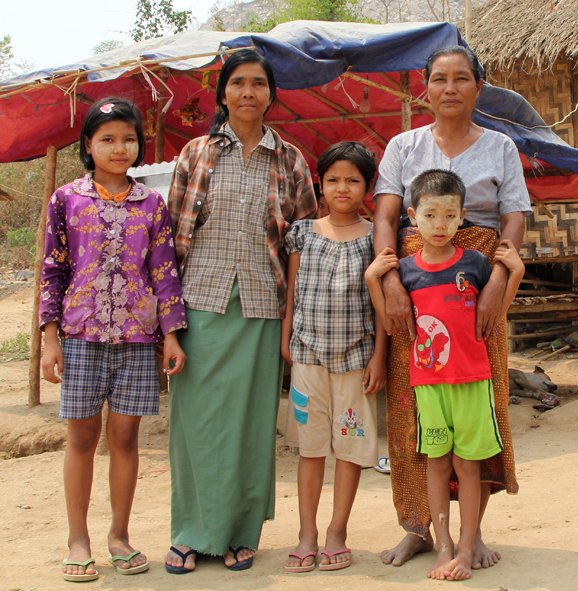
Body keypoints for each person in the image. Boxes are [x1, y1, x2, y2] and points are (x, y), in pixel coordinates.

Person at [373, 45, 532, 568]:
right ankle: (418, 527)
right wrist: (392, 278)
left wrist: (497, 282)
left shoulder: (501, 147)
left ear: (478, 86)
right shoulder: (403, 145)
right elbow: (386, 217)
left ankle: (473, 536)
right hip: (416, 286)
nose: (450, 88)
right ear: (425, 87)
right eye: (439, 79)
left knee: (479, 407)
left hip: (477, 282)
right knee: (411, 411)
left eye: (462, 79)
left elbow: (513, 219)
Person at [163, 49, 316, 574]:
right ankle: (189, 531)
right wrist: (168, 323)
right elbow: (167, 243)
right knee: (195, 425)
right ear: (223, 93)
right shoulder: (195, 154)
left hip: (262, 305)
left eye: (258, 83)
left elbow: (304, 244)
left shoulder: (291, 160)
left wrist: (293, 322)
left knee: (251, 426)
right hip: (198, 303)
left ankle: (239, 533)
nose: (248, 92)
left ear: (271, 94)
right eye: (238, 83)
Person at [39, 98, 187, 582]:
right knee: (82, 436)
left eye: (128, 138)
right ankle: (77, 539)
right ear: (88, 145)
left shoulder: (152, 204)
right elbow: (53, 270)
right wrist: (49, 337)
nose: (118, 147)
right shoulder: (66, 199)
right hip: (80, 335)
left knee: (125, 437)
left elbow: (164, 274)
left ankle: (119, 536)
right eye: (107, 138)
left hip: (138, 338)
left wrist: (171, 336)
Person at [367, 170, 524, 580]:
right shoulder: (403, 270)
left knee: (468, 467)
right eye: (431, 215)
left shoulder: (475, 263)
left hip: (473, 382)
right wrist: (373, 280)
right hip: (428, 387)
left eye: (450, 216)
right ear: (413, 216)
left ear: (462, 217)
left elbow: (495, 316)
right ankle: (443, 546)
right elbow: (390, 324)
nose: (440, 225)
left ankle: (468, 545)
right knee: (436, 464)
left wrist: (516, 274)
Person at [280, 141, 387, 574]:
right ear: (319, 184)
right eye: (333, 180)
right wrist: (286, 341)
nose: (342, 188)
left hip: (358, 361)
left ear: (368, 187)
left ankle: (336, 532)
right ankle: (306, 533)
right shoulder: (303, 233)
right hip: (306, 358)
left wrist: (380, 356)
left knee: (349, 450)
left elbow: (381, 304)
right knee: (309, 451)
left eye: (353, 180)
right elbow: (291, 293)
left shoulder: (374, 240)